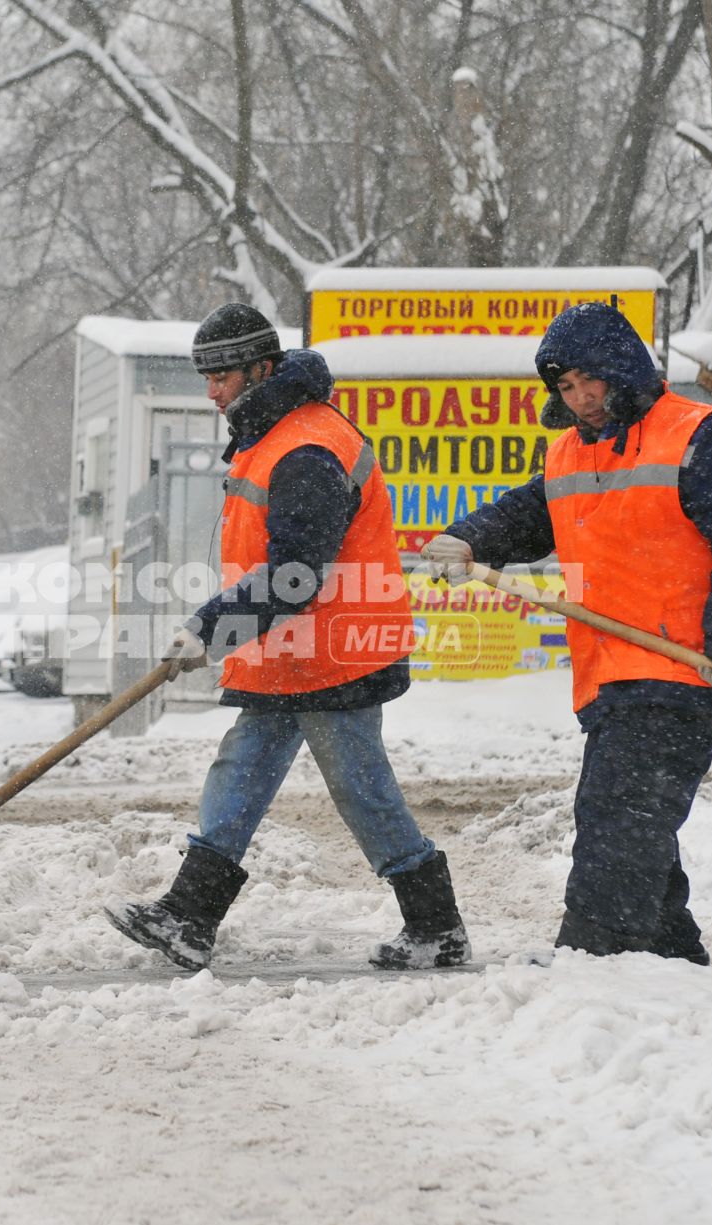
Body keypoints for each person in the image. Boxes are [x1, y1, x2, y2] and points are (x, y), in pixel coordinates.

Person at [105, 302, 470, 972]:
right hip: (289, 652)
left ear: (262, 368)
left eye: (222, 376)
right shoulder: (272, 435)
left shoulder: (308, 447)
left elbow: (297, 575)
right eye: (205, 376)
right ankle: (189, 915)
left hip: (337, 651)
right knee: (240, 771)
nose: (211, 391)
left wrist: (211, 628)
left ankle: (437, 924)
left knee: (362, 790)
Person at [421, 302, 712, 966]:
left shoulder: (702, 434)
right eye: (565, 387)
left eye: (590, 379)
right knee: (633, 817)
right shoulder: (567, 453)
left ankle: (594, 954)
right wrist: (469, 538)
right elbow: (530, 515)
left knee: (617, 813)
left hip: (686, 666)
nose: (581, 398)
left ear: (621, 368)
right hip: (611, 668)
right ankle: (670, 954)